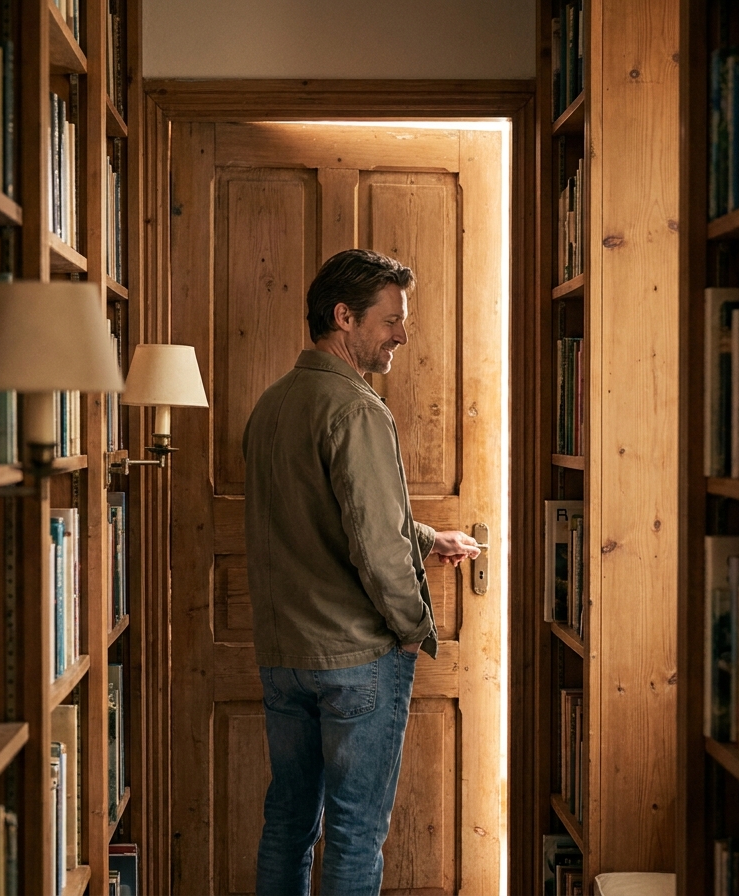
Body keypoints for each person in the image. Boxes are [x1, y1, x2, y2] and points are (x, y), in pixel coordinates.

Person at [243, 248, 482, 896]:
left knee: (288, 822)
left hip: (284, 655)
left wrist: (428, 538)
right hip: (355, 663)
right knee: (354, 832)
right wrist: (412, 629)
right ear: (344, 317)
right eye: (391, 319)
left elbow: (322, 514)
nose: (403, 333)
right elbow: (374, 544)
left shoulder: (271, 408)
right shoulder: (356, 410)